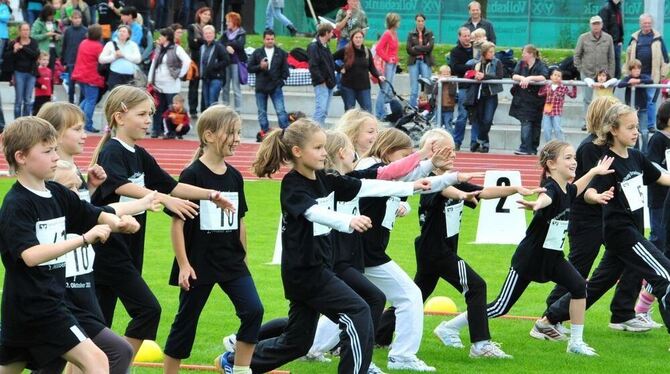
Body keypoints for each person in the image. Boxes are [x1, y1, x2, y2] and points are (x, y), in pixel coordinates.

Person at [216, 119, 383, 374]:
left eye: (324, 147)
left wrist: (421, 179)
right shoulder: (293, 184)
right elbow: (313, 212)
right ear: (297, 152)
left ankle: (235, 360)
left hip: (315, 270)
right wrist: (348, 220)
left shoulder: (324, 178)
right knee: (358, 310)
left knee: (298, 341)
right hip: (307, 273)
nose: (324, 153)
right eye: (318, 147)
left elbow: (369, 184)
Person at [88, 85, 235, 357]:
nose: (148, 120)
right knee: (147, 310)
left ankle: (100, 365)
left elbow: (171, 187)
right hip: (108, 248)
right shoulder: (112, 151)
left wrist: (211, 194)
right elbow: (119, 186)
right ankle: (115, 365)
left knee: (98, 325)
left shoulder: (139, 154)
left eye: (151, 114)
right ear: (120, 117)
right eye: (142, 114)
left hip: (130, 247)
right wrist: (162, 199)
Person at [0, 115, 140, 373]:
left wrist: (118, 222)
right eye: (47, 151)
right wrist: (83, 239)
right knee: (97, 361)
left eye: (55, 149)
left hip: (48, 303)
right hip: (33, 307)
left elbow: (91, 212)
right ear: (21, 157)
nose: (56, 157)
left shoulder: (57, 192)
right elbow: (30, 255)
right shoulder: (16, 204)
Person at [449, 141, 615, 356]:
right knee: (500, 307)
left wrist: (593, 171)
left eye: (574, 157)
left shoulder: (567, 188)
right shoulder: (550, 188)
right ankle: (450, 327)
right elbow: (546, 197)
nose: (574, 162)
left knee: (578, 287)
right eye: (568, 158)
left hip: (553, 258)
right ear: (551, 164)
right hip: (530, 258)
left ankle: (575, 342)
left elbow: (576, 189)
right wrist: (538, 204)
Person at [379, 129, 535, 358]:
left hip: (434, 251)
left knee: (415, 295)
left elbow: (483, 191)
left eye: (453, 150)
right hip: (436, 251)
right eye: (446, 150)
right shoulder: (429, 182)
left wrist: (514, 189)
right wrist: (461, 195)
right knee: (477, 286)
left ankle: (378, 336)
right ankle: (481, 345)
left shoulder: (450, 180)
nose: (452, 155)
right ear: (432, 153)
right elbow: (444, 189)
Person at [33, 102, 161, 374]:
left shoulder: (72, 171)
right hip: (64, 280)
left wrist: (92, 190)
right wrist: (118, 220)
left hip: (81, 276)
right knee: (105, 352)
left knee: (69, 357)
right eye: (77, 129)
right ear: (54, 134)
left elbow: (82, 213)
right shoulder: (60, 174)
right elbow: (76, 219)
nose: (84, 135)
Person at [540, 103, 670, 342]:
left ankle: (548, 320)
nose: (636, 132)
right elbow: (587, 191)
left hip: (632, 230)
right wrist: (596, 196)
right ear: (613, 129)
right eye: (630, 127)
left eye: (637, 127)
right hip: (621, 232)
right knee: (665, 275)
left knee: (597, 284)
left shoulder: (636, 157)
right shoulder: (606, 161)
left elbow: (661, 177)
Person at [355, 128, 481, 371]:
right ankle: (399, 357)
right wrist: (428, 158)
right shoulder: (374, 172)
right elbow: (399, 179)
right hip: (366, 253)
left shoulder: (386, 175)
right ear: (389, 152)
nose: (409, 159)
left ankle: (314, 347)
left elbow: (409, 183)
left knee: (357, 302)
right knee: (409, 296)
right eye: (405, 154)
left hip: (364, 252)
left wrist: (449, 176)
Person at [163, 105, 264, 374]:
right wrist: (184, 265)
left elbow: (239, 220)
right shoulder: (191, 176)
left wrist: (244, 255)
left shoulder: (234, 176)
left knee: (253, 310)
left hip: (231, 261)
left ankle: (240, 369)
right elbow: (177, 225)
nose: (238, 139)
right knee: (185, 322)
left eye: (239, 133)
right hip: (198, 264)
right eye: (231, 132)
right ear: (208, 136)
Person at [634, 100, 670, 327]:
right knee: (660, 250)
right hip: (660, 202)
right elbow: (652, 166)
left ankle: (641, 307)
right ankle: (641, 307)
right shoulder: (658, 139)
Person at [623, 13, 669, 134]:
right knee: (636, 102)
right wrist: (626, 73)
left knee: (650, 101)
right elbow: (627, 57)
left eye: (649, 23)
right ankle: (634, 124)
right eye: (644, 23)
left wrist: (663, 75)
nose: (646, 25)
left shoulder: (658, 39)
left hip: (651, 77)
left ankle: (650, 125)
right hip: (635, 76)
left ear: (651, 24)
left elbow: (666, 59)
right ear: (640, 24)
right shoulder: (634, 38)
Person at [148, 27, 191, 138]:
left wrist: (180, 74)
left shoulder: (176, 48)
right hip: (158, 84)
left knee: (170, 109)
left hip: (171, 85)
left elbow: (187, 61)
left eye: (161, 36)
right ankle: (156, 130)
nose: (159, 38)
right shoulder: (159, 48)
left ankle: (171, 131)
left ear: (166, 37)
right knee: (157, 108)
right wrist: (150, 79)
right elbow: (153, 64)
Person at [574, 15, 615, 129]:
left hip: (603, 75)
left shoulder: (608, 38)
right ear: (590, 25)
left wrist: (610, 75)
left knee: (603, 98)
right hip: (587, 73)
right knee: (587, 99)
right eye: (594, 24)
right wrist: (580, 69)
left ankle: (602, 122)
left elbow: (611, 58)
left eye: (598, 24)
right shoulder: (583, 38)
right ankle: (587, 122)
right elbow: (577, 55)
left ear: (602, 25)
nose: (596, 26)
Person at [248, 29, 289, 141]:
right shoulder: (257, 52)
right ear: (264, 39)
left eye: (272, 39)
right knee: (262, 112)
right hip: (261, 87)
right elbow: (249, 68)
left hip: (276, 86)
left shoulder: (280, 53)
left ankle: (285, 134)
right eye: (268, 39)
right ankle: (264, 133)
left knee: (281, 110)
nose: (270, 41)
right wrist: (260, 67)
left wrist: (280, 82)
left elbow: (286, 71)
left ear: (274, 39)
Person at [332, 28, 384, 113]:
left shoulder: (367, 51)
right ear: (352, 38)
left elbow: (372, 67)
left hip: (364, 87)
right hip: (348, 87)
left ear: (363, 39)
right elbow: (330, 58)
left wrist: (378, 75)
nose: (358, 39)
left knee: (368, 112)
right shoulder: (346, 50)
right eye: (356, 37)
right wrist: (339, 69)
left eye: (360, 37)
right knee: (350, 113)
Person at [510, 44, 549, 155]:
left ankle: (532, 148)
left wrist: (530, 78)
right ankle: (524, 147)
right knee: (525, 121)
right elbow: (514, 75)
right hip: (523, 98)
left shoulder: (540, 65)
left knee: (536, 124)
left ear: (531, 54)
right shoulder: (521, 64)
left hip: (537, 100)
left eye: (524, 52)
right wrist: (522, 78)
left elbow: (544, 76)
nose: (522, 55)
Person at [469, 42, 502, 153]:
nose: (493, 54)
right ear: (484, 53)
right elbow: (470, 73)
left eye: (493, 52)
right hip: (479, 95)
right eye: (490, 52)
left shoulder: (497, 62)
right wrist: (475, 75)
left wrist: (484, 76)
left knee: (488, 120)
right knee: (480, 120)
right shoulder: (477, 63)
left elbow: (499, 76)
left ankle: (479, 140)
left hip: (491, 95)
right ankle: (485, 144)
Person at [72, 24, 104, 133]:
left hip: (80, 74)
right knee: (91, 100)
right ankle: (88, 124)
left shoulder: (83, 43)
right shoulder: (98, 46)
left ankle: (76, 118)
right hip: (92, 76)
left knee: (86, 99)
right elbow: (102, 60)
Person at [618, 58, 653, 153]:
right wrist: (629, 82)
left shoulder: (643, 77)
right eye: (634, 69)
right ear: (630, 70)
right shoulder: (628, 78)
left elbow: (650, 80)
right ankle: (636, 151)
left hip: (642, 109)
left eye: (638, 69)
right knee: (634, 131)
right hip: (631, 110)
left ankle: (645, 152)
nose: (637, 71)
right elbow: (620, 84)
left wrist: (638, 81)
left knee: (644, 132)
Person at [449, 27, 474, 151]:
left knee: (477, 117)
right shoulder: (455, 51)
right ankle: (457, 142)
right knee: (462, 115)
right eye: (464, 36)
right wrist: (470, 67)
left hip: (477, 87)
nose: (467, 38)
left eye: (468, 35)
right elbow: (455, 67)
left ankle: (476, 144)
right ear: (459, 37)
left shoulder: (477, 49)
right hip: (464, 87)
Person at [307, 22, 336, 126]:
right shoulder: (313, 47)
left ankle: (320, 131)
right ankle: (313, 132)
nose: (333, 35)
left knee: (324, 111)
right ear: (327, 33)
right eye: (332, 32)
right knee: (320, 110)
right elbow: (313, 66)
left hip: (329, 83)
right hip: (321, 83)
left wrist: (339, 68)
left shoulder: (325, 46)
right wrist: (321, 80)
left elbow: (330, 63)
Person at [538, 68, 577, 142]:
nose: (556, 77)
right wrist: (543, 85)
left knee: (557, 129)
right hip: (547, 112)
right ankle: (548, 145)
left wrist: (574, 85)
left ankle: (561, 144)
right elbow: (540, 94)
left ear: (561, 79)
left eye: (559, 76)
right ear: (551, 77)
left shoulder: (563, 87)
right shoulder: (548, 86)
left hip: (556, 112)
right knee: (546, 129)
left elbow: (573, 95)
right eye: (555, 75)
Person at [10, 23, 40, 119]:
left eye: (27, 29)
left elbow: (35, 55)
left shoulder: (34, 42)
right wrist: (14, 51)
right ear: (19, 31)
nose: (26, 32)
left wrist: (22, 48)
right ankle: (17, 123)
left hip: (31, 73)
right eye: (23, 30)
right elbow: (10, 59)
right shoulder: (14, 42)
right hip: (19, 73)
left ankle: (26, 123)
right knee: (19, 100)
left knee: (27, 99)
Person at [186, 6, 212, 118]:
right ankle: (192, 110)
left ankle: (204, 109)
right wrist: (204, 40)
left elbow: (211, 42)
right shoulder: (192, 27)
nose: (207, 16)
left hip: (207, 61)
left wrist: (199, 40)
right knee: (193, 86)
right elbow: (192, 44)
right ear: (200, 14)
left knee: (206, 86)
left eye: (209, 14)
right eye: (205, 14)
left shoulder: (211, 28)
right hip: (195, 60)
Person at [374, 13, 400, 120]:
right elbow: (378, 48)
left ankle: (386, 113)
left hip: (393, 63)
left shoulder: (394, 33)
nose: (399, 23)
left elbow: (394, 49)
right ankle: (379, 113)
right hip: (388, 64)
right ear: (394, 22)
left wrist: (395, 59)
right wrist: (387, 58)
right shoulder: (387, 34)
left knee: (389, 90)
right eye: (398, 21)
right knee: (384, 89)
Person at [98, 24, 141, 89]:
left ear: (128, 35)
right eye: (120, 31)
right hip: (115, 75)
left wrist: (124, 55)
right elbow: (101, 59)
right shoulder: (110, 44)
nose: (121, 33)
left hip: (129, 77)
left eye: (124, 31)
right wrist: (114, 57)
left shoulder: (133, 45)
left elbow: (138, 59)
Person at [220, 11, 246, 112]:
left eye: (228, 21)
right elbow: (219, 44)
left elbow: (240, 45)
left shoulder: (241, 33)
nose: (226, 23)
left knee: (236, 88)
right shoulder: (225, 34)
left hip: (236, 63)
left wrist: (228, 44)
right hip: (226, 63)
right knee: (225, 87)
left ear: (235, 22)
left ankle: (238, 111)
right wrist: (227, 46)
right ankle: (225, 110)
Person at [199, 24, 229, 108]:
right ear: (203, 35)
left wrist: (214, 66)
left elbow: (226, 61)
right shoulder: (202, 47)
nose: (208, 35)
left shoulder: (219, 46)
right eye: (206, 33)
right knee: (206, 103)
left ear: (214, 34)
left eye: (210, 33)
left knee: (213, 102)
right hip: (205, 78)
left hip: (216, 78)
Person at [407, 13, 434, 108]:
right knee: (414, 88)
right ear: (415, 22)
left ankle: (426, 109)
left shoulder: (429, 33)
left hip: (425, 61)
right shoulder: (411, 34)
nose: (420, 23)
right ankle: (412, 109)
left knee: (426, 86)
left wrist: (416, 48)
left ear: (424, 22)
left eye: (422, 21)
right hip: (414, 61)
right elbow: (409, 49)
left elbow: (430, 48)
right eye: (418, 21)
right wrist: (423, 48)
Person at [61, 10, 87, 104]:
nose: (77, 20)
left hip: (81, 62)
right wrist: (63, 60)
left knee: (82, 85)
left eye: (79, 18)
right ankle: (71, 103)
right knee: (71, 85)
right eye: (75, 18)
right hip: (70, 61)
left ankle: (80, 104)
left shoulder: (85, 31)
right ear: (71, 19)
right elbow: (64, 45)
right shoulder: (67, 30)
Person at [31, 5, 62, 72]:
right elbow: (33, 36)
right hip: (42, 50)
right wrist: (46, 35)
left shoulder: (55, 23)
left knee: (51, 71)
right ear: (46, 14)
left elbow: (60, 34)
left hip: (54, 49)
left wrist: (58, 36)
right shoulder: (38, 23)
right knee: (41, 71)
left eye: (53, 15)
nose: (52, 17)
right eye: (51, 15)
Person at [599, 0, 624, 78]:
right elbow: (603, 28)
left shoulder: (618, 8)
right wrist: (608, 41)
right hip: (609, 44)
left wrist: (620, 39)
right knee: (608, 69)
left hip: (617, 44)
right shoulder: (606, 9)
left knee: (617, 71)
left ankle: (613, 88)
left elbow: (619, 25)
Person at [433, 65, 457, 133]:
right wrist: (438, 82)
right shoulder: (438, 82)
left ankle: (451, 141)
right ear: (440, 75)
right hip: (439, 107)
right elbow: (435, 92)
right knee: (438, 126)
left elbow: (452, 93)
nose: (446, 76)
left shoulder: (453, 82)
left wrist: (450, 82)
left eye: (448, 74)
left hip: (449, 108)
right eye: (444, 74)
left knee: (448, 126)